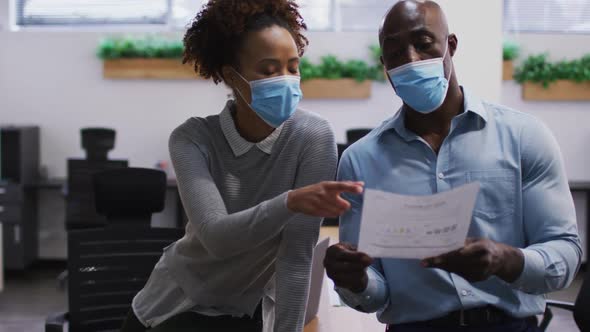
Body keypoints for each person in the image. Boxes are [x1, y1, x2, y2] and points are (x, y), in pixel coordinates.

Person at [323, 1, 582, 332]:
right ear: (383, 64)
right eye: (395, 51)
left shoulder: (523, 137)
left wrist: (506, 260)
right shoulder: (360, 160)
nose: (411, 59)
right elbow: (374, 293)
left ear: (451, 45)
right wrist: (354, 280)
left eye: (423, 42)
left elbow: (565, 253)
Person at [120, 1, 363, 331]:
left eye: (293, 67)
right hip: (174, 304)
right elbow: (217, 237)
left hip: (246, 310)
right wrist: (289, 202)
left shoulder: (313, 137)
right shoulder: (192, 138)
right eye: (268, 70)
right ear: (230, 75)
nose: (287, 79)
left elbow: (297, 257)